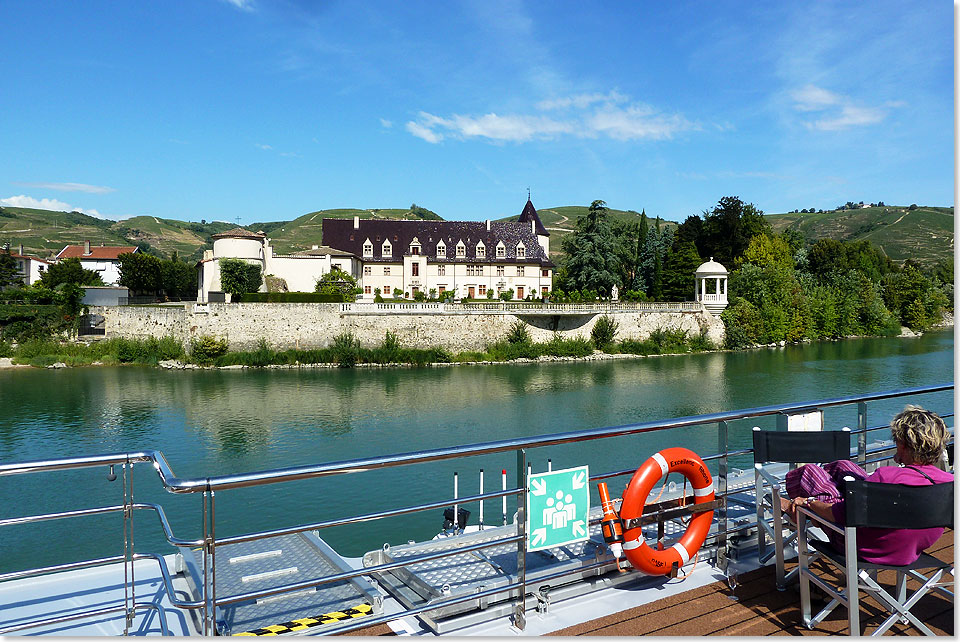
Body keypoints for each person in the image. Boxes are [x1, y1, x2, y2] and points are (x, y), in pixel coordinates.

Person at [780, 405, 953, 566]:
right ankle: (819, 501)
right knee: (843, 466)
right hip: (908, 549)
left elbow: (837, 515)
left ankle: (797, 507)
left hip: (859, 546)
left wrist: (809, 502)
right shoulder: (949, 483)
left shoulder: (887, 476)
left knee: (811, 472)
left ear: (903, 444)